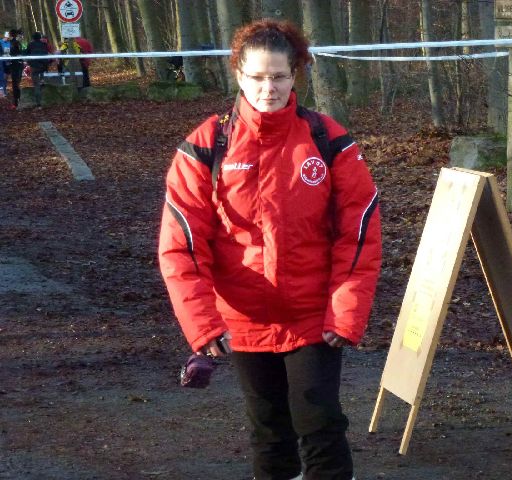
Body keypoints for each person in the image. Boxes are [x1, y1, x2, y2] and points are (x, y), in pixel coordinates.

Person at [158, 19, 382, 480]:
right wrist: (202, 324)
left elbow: (359, 232)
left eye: (279, 76)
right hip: (243, 320)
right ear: (239, 74)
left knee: (320, 424)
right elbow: (181, 245)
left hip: (313, 316)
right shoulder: (207, 145)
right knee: (269, 433)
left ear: (294, 74)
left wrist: (345, 313)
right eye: (257, 77)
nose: (269, 88)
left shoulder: (327, 139)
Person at [25, 32, 50, 108]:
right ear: (40, 38)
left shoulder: (30, 44)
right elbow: (46, 54)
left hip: (34, 67)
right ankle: (42, 80)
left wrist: (29, 63)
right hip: (43, 66)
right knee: (42, 81)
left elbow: (27, 54)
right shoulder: (44, 44)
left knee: (36, 85)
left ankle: (38, 103)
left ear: (33, 38)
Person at [8, 29, 24, 108]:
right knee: (16, 83)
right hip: (17, 65)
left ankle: (16, 102)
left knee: (15, 83)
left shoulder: (14, 43)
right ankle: (17, 101)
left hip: (15, 65)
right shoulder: (16, 43)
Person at [1, 31, 10, 97]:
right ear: (4, 37)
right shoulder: (0, 42)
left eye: (8, 38)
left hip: (7, 61)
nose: (7, 39)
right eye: (6, 38)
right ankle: (3, 91)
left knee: (6, 77)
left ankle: (4, 90)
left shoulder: (9, 43)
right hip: (1, 61)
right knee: (2, 76)